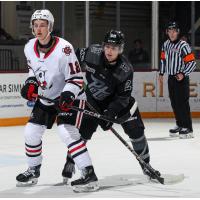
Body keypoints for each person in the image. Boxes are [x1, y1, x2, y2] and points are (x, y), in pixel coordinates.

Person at [61, 30, 161, 183]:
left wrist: (111, 113)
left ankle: (146, 165)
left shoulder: (125, 70)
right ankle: (70, 161)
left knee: (136, 130)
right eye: (107, 46)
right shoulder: (91, 53)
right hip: (92, 100)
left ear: (120, 49)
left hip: (116, 103)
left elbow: (123, 97)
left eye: (114, 48)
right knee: (83, 131)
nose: (109, 51)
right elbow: (70, 58)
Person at [16, 9, 99, 192]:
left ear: (50, 27)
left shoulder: (64, 49)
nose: (38, 29)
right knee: (30, 132)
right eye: (35, 25)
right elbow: (34, 71)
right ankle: (33, 170)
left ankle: (88, 174)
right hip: (46, 98)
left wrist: (68, 95)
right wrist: (31, 83)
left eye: (42, 25)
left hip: (70, 98)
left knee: (66, 132)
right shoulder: (29, 46)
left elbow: (76, 78)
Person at [159, 21, 196, 139]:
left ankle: (188, 128)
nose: (172, 33)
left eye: (174, 31)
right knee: (174, 103)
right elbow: (163, 60)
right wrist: (161, 73)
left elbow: (192, 63)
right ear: (167, 32)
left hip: (181, 78)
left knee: (183, 103)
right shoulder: (166, 44)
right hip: (171, 78)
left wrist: (183, 74)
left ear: (178, 32)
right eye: (169, 31)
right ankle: (180, 124)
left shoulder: (183, 45)